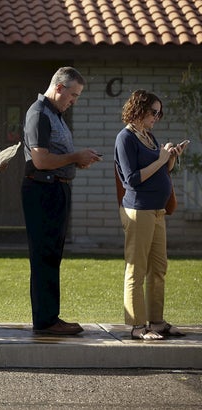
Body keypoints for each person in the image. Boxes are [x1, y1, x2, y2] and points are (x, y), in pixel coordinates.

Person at [21, 66, 102, 335]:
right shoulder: (39, 114)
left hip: (57, 189)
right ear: (59, 88)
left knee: (52, 256)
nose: (74, 101)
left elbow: (55, 156)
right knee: (44, 256)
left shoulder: (55, 114)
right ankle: (45, 322)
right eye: (73, 95)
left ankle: (50, 317)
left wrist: (77, 162)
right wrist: (74, 157)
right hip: (43, 192)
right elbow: (40, 160)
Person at [114, 90, 188, 340]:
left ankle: (156, 322)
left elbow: (160, 170)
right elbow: (132, 179)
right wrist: (160, 159)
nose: (157, 117)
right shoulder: (125, 138)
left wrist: (170, 157)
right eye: (153, 112)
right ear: (138, 110)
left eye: (159, 113)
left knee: (159, 268)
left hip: (157, 211)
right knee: (137, 268)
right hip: (138, 211)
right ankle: (137, 326)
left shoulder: (149, 136)